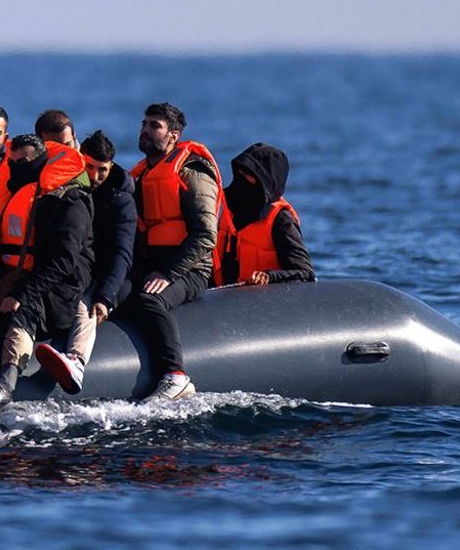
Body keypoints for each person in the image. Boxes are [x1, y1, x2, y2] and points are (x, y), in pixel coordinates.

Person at [0, 133, 96, 411]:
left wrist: (22, 293)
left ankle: (5, 384)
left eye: (25, 162)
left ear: (42, 161)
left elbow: (63, 261)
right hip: (24, 274)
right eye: (13, 161)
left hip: (63, 284)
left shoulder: (70, 202)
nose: (16, 167)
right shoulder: (25, 193)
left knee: (24, 311)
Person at [117, 103, 223, 401]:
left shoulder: (193, 172)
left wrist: (167, 273)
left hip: (189, 270)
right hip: (153, 264)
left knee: (149, 300)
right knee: (114, 292)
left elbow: (205, 235)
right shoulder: (142, 175)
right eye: (144, 123)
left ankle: (176, 375)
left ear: (174, 135)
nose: (145, 130)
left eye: (155, 126)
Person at [37, 129, 137, 393]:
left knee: (86, 303)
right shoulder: (69, 189)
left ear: (111, 166)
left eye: (102, 170)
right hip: (77, 268)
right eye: (89, 167)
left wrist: (106, 296)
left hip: (108, 277)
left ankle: (76, 360)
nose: (95, 176)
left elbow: (122, 253)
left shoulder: (121, 200)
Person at [220, 143, 314, 286]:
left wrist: (269, 277)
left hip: (264, 302)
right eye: (239, 174)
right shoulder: (222, 210)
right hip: (216, 297)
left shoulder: (281, 220)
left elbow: (305, 273)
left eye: (248, 176)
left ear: (265, 183)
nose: (241, 180)